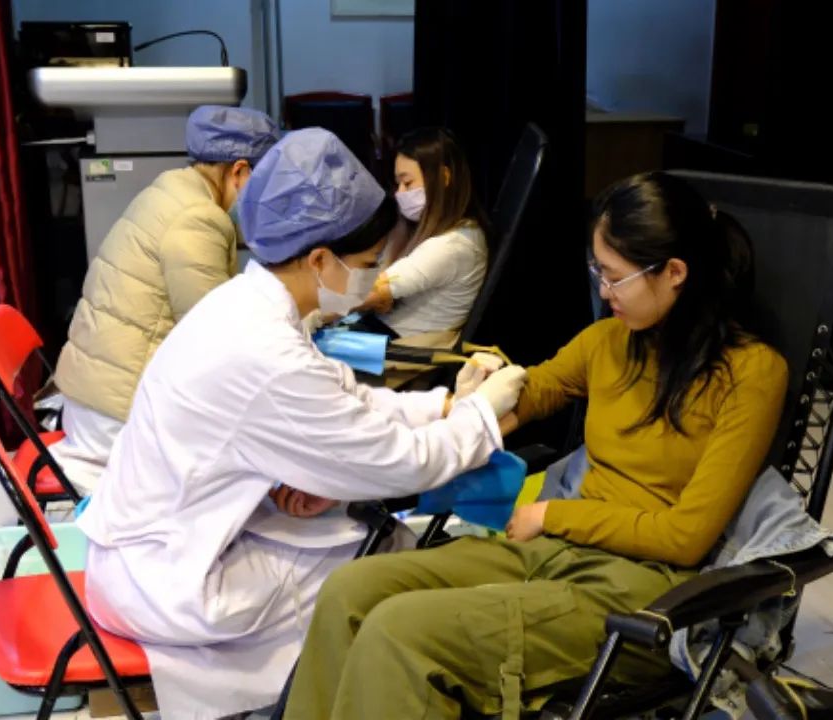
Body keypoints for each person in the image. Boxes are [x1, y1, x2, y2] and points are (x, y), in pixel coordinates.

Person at [282, 172, 790, 720]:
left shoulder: (751, 374)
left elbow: (685, 538)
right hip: (553, 554)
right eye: (598, 271)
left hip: (639, 591)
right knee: (350, 591)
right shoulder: (609, 342)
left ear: (674, 273)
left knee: (399, 632)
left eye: (615, 276)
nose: (603, 291)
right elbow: (536, 391)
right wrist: (468, 411)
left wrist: (552, 514)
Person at [75, 128, 528, 720]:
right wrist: (480, 415)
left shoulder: (246, 304)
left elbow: (343, 399)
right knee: (381, 572)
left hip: (154, 542)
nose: (370, 277)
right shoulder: (265, 352)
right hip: (167, 579)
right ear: (318, 260)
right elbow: (398, 462)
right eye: (365, 265)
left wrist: (442, 407)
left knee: (356, 535)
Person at [51, 105, 278, 494]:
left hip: (93, 395)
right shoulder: (198, 217)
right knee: (252, 470)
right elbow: (215, 332)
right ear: (239, 171)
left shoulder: (171, 187)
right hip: (117, 417)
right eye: (265, 181)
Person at [355, 127, 489, 343]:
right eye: (398, 184)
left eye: (407, 183)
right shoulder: (453, 230)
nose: (399, 193)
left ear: (443, 178)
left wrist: (310, 301)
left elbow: (366, 294)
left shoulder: (451, 247)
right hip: (386, 331)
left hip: (403, 348)